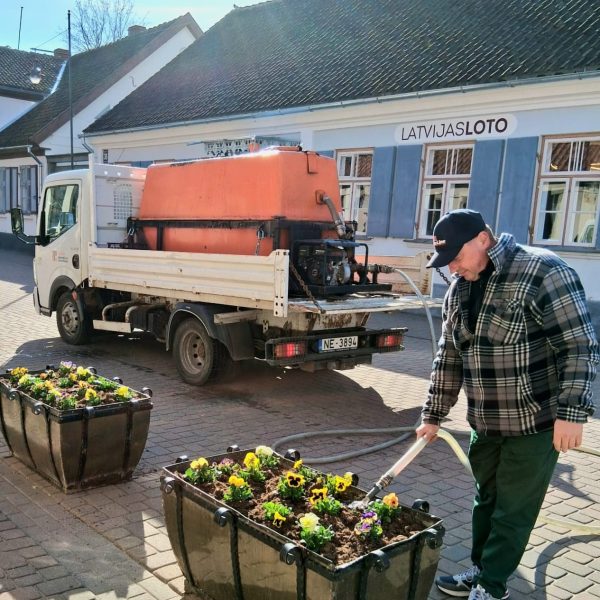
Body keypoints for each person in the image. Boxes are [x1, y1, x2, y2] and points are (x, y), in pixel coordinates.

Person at [416, 209, 599, 600]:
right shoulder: (459, 289)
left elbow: (580, 346)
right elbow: (449, 358)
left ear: (483, 239)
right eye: (446, 262)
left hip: (535, 423)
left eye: (456, 258)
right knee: (486, 502)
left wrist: (572, 413)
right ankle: (482, 569)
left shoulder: (543, 272)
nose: (452, 269)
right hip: (485, 425)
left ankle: (492, 586)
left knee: (512, 511)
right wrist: (433, 414)